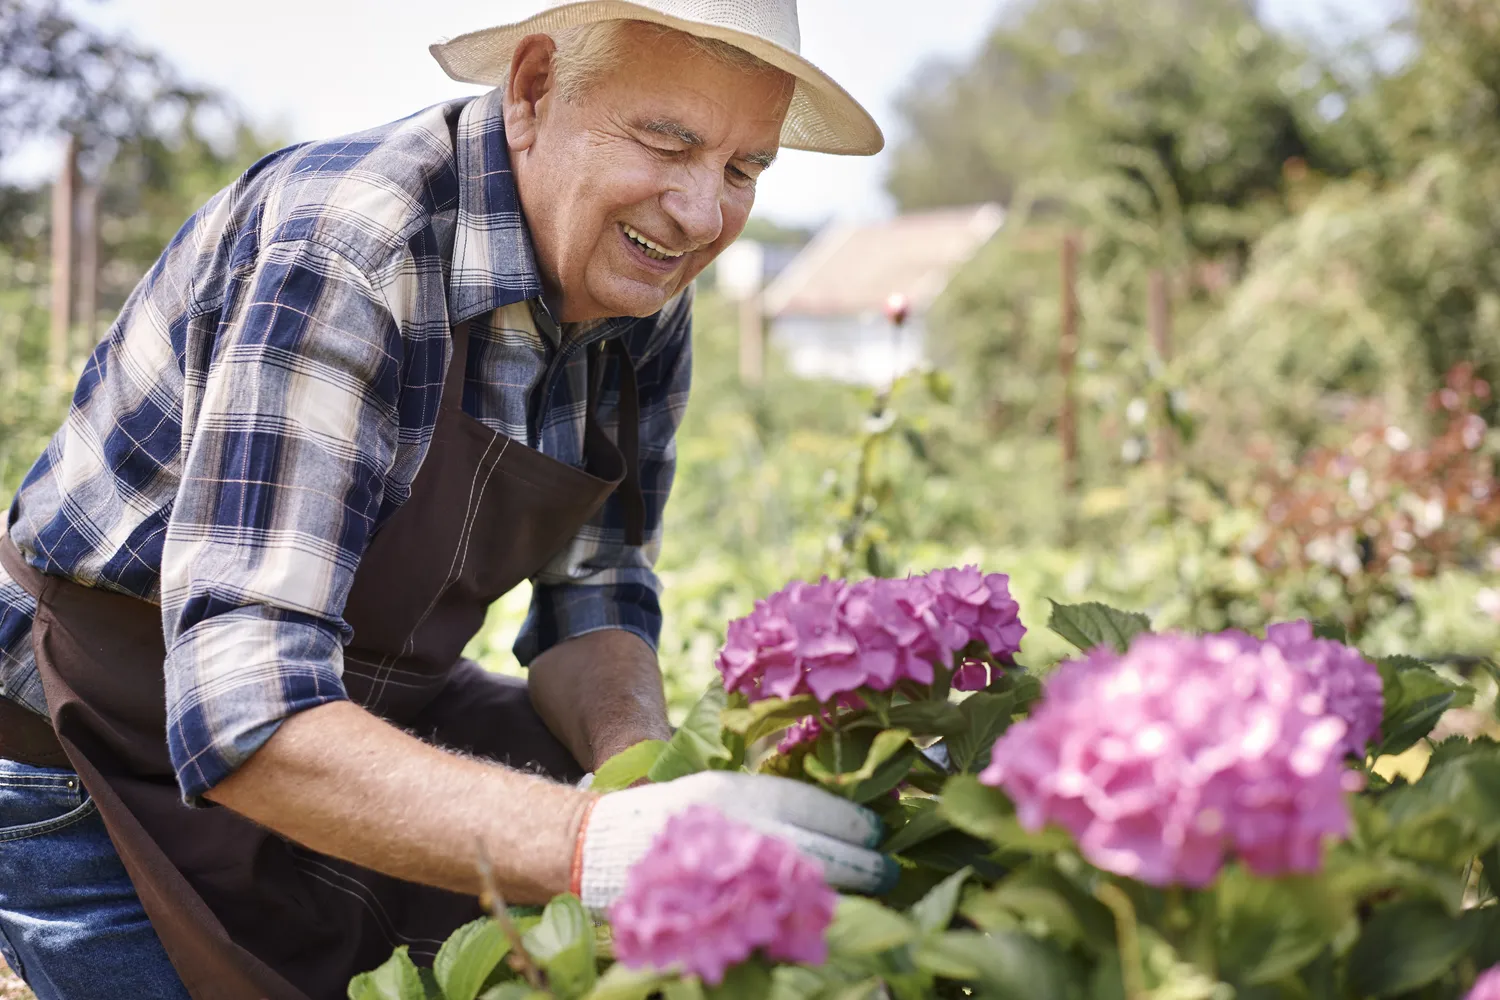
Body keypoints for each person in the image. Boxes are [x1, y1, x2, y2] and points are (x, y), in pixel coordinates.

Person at [0, 3, 892, 998]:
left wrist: (644, 781)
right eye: (666, 140)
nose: (697, 213)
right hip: (96, 748)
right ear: (533, 89)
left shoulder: (640, 284)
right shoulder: (354, 249)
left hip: (358, 703)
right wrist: (593, 842)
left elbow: (594, 594)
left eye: (742, 170)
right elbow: (243, 718)